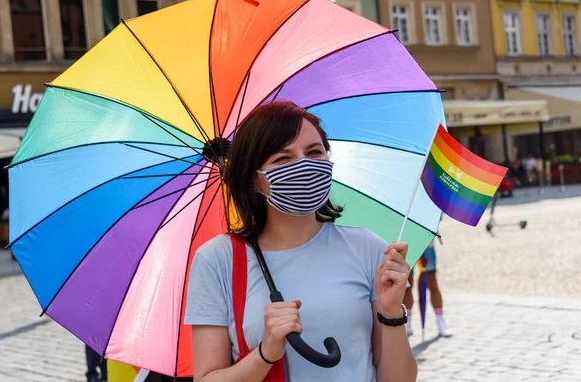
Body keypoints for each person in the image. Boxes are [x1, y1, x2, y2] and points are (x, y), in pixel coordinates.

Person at [184, 102, 416, 381]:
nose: (304, 165)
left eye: (314, 152)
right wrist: (266, 353)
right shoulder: (217, 259)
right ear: (254, 180)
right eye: (283, 158)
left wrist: (391, 313)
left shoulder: (367, 247)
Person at [403, 239, 452, 338]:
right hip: (407, 242)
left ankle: (440, 320)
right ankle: (407, 322)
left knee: (432, 282)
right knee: (407, 284)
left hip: (426, 242)